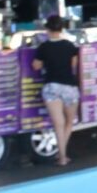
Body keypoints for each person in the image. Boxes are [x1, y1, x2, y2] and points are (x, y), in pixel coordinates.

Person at [32, 15, 79, 166]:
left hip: (51, 87)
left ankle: (63, 157)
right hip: (69, 87)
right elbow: (73, 64)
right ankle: (61, 154)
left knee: (58, 124)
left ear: (47, 29)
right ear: (61, 28)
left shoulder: (43, 47)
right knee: (69, 122)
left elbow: (36, 66)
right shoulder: (70, 45)